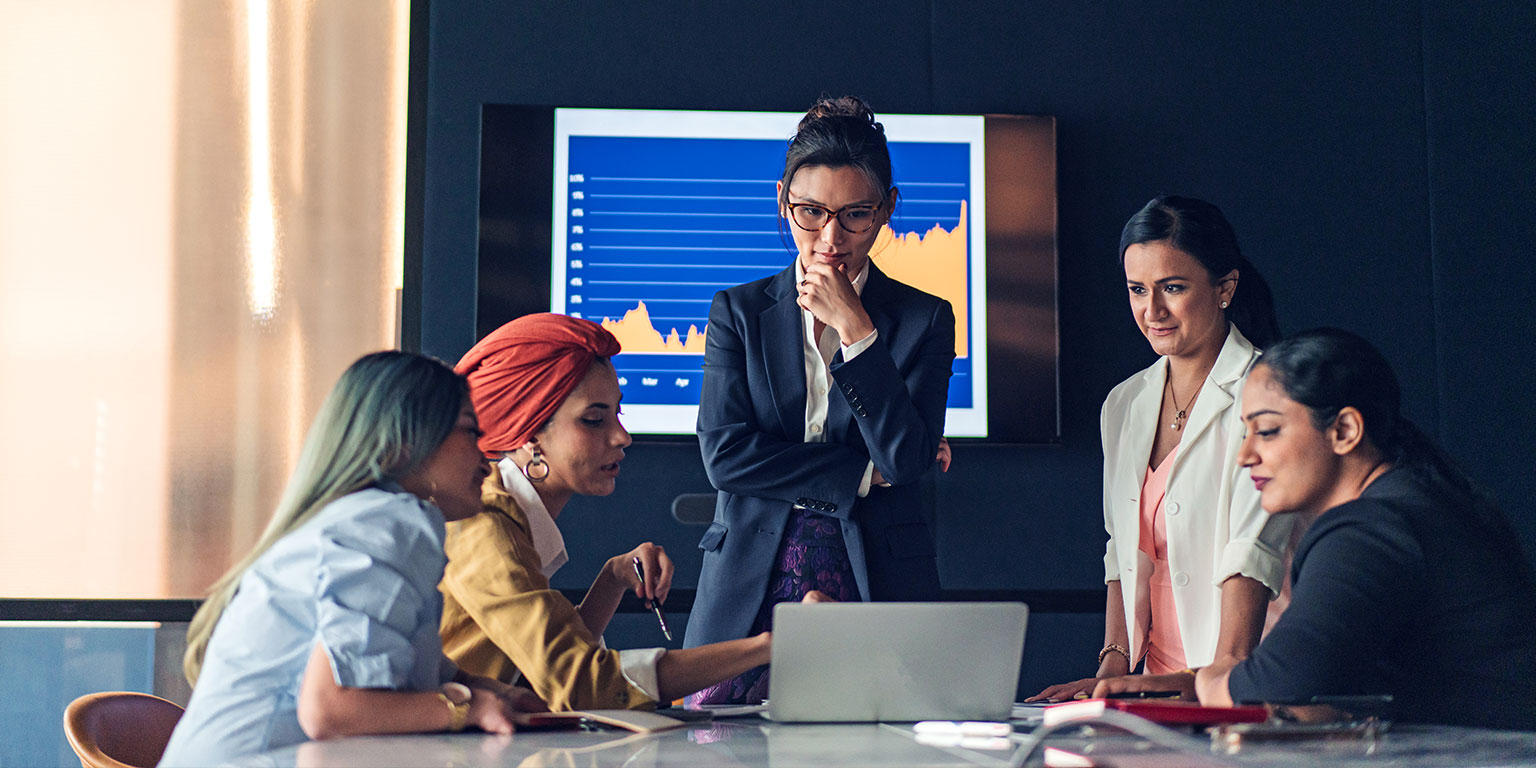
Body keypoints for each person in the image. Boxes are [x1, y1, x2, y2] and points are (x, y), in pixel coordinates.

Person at [685, 95, 956, 704]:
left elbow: (908, 464)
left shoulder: (925, 320)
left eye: (856, 215)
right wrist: (861, 472)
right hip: (749, 579)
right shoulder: (739, 313)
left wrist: (860, 335)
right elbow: (726, 457)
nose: (830, 238)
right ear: (783, 199)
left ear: (888, 209)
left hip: (875, 576)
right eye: (810, 212)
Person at [161, 352, 542, 767]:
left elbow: (393, 657)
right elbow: (330, 709)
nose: (484, 459)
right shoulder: (390, 522)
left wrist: (485, 689)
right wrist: (470, 709)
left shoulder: (356, 520)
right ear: (406, 443)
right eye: (470, 431)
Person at [439, 314, 788, 711]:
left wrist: (613, 578)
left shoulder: (509, 511)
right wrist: (770, 645)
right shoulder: (487, 528)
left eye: (618, 414)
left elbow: (550, 662)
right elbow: (583, 684)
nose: (622, 436)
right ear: (530, 435)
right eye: (594, 420)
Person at [1195, 328, 1536, 729]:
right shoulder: (1410, 499)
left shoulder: (1370, 529)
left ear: (1344, 431)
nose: (1244, 455)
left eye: (1266, 431)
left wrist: (1209, 681)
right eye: (1245, 432)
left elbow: (1277, 684)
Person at [1031, 196, 1295, 702]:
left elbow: (1252, 552)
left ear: (1225, 288)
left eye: (1172, 288)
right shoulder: (1124, 403)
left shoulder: (1270, 391)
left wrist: (1218, 682)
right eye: (1137, 290)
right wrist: (1112, 671)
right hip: (1154, 687)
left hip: (1245, 682)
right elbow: (1123, 551)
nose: (1152, 311)